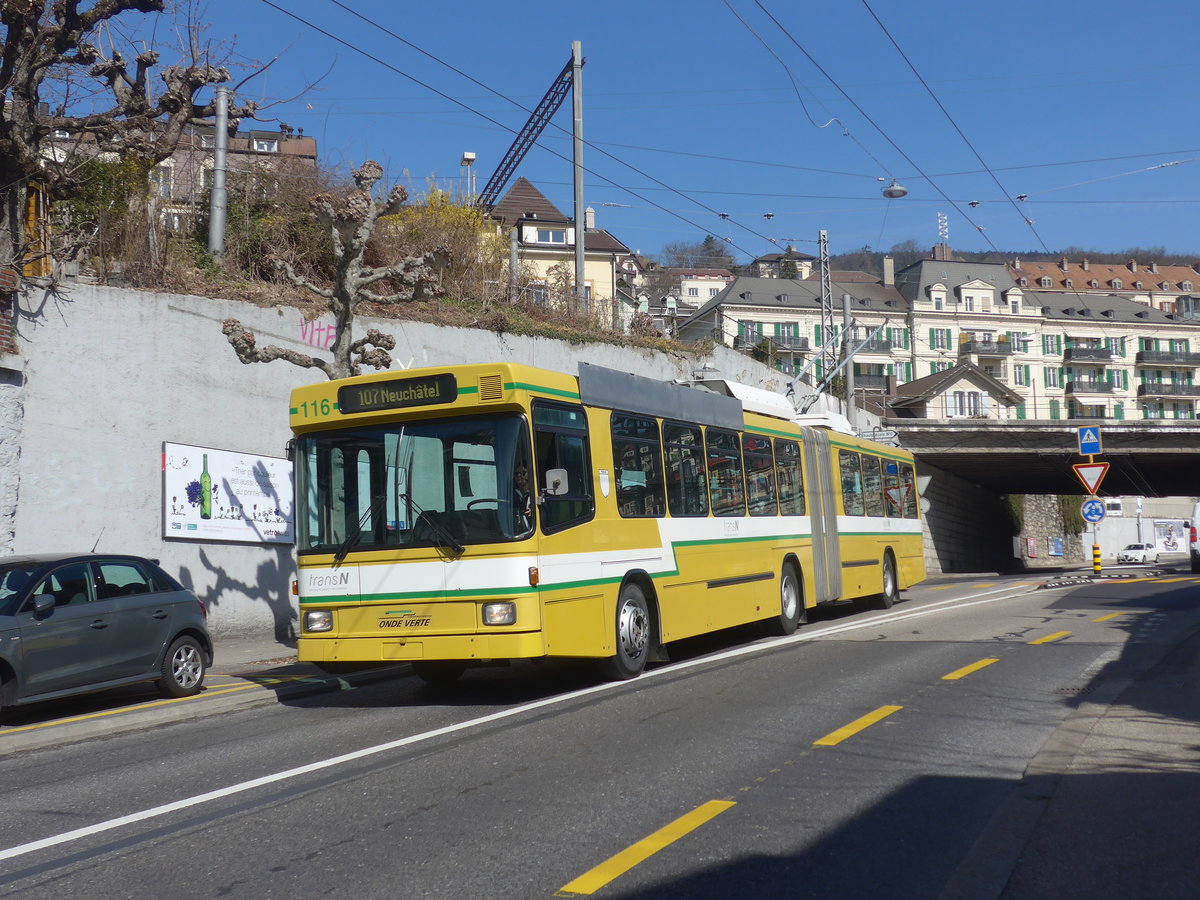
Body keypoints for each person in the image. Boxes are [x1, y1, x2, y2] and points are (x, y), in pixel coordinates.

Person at [513, 465, 534, 535]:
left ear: (530, 475)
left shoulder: (536, 494)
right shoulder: (511, 495)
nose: (519, 475)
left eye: (523, 473)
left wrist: (534, 512)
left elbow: (546, 516)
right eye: (516, 474)